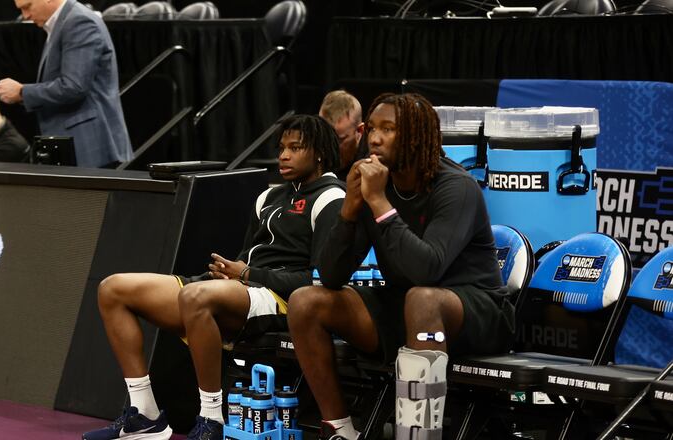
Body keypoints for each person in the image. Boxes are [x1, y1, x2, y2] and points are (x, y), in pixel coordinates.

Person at [83, 115, 345, 440]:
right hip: (243, 288)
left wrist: (248, 273)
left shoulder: (331, 198)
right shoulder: (268, 197)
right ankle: (144, 416)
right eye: (281, 148)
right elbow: (248, 255)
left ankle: (211, 419)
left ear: (319, 152)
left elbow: (320, 280)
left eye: (295, 148)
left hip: (284, 301)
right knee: (113, 289)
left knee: (196, 297)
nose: (283, 155)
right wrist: (231, 270)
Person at [287, 93, 515, 440]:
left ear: (415, 136)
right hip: (406, 304)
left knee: (423, 299)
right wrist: (350, 209)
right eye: (372, 128)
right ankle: (340, 430)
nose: (374, 138)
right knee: (307, 301)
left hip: (475, 311)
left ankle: (416, 435)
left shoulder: (457, 187)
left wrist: (378, 201)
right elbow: (331, 276)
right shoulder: (375, 184)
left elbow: (427, 270)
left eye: (388, 129)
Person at [0, 0, 132, 168]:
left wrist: (22, 92)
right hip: (81, 147)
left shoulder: (78, 21)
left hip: (92, 147)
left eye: (28, 6)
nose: (25, 15)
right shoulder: (64, 22)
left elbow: (74, 86)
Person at [318, 90, 366, 179]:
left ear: (360, 131)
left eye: (338, 140)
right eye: (324, 137)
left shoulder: (372, 166)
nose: (329, 147)